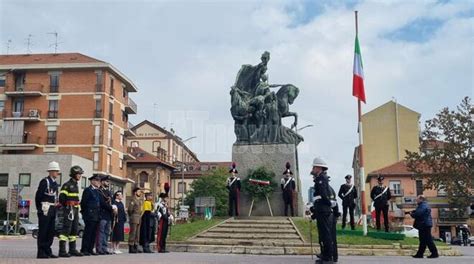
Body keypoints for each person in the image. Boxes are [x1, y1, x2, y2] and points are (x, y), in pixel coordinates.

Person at [311, 157, 335, 264]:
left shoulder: (321, 179)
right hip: (320, 209)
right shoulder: (320, 178)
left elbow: (323, 195)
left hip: (324, 209)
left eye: (314, 167)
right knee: (323, 233)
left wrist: (329, 204)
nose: (313, 168)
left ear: (319, 167)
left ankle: (328, 257)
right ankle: (325, 255)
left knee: (326, 234)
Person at [35, 161, 60, 259]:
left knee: (50, 232)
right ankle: (41, 252)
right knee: (43, 231)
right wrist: (40, 209)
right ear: (51, 171)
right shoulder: (45, 182)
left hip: (53, 208)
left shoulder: (55, 183)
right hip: (45, 209)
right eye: (56, 171)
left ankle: (47, 250)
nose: (57, 173)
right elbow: (38, 196)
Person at [58, 165, 84, 257]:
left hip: (75, 209)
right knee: (66, 229)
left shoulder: (76, 185)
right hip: (69, 209)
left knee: (74, 229)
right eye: (79, 174)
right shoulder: (67, 185)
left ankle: (72, 249)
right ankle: (62, 251)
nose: (80, 176)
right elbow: (61, 198)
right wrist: (68, 205)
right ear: (74, 174)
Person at [80, 174, 101, 256]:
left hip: (96, 215)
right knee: (88, 233)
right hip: (89, 215)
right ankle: (84, 249)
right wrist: (85, 213)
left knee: (93, 233)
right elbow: (84, 203)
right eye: (96, 180)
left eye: (98, 180)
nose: (98, 182)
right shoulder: (88, 190)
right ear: (92, 181)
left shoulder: (97, 191)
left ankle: (90, 249)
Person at [96, 175, 113, 255]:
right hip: (102, 214)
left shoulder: (109, 192)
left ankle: (104, 247)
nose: (108, 183)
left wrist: (113, 208)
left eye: (108, 181)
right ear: (102, 182)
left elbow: (111, 201)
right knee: (101, 232)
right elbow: (102, 203)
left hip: (108, 215)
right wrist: (111, 208)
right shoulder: (99, 191)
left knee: (106, 232)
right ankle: (99, 248)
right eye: (106, 181)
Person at [128, 187, 143, 253]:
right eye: (138, 191)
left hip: (139, 217)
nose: (140, 193)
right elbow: (130, 210)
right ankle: (131, 246)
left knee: (137, 233)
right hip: (134, 216)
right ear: (135, 192)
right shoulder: (133, 200)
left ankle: (135, 245)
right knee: (133, 233)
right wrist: (132, 216)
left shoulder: (139, 200)